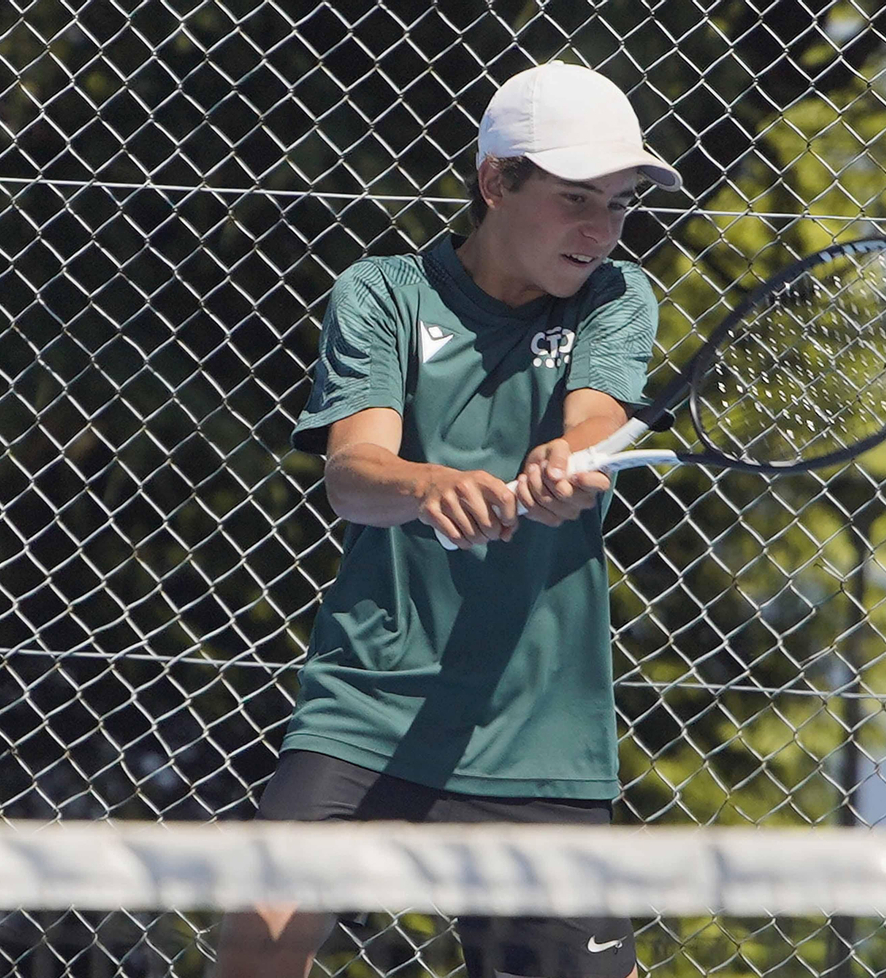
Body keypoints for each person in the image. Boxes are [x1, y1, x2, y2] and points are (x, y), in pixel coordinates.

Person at [213, 60, 682, 978]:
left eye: (622, 204)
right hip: (367, 707)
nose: (601, 230)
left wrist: (571, 459)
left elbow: (593, 424)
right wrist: (430, 489)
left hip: (538, 730)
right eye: (576, 197)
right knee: (256, 943)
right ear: (495, 181)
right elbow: (354, 473)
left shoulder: (617, 298)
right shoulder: (383, 292)